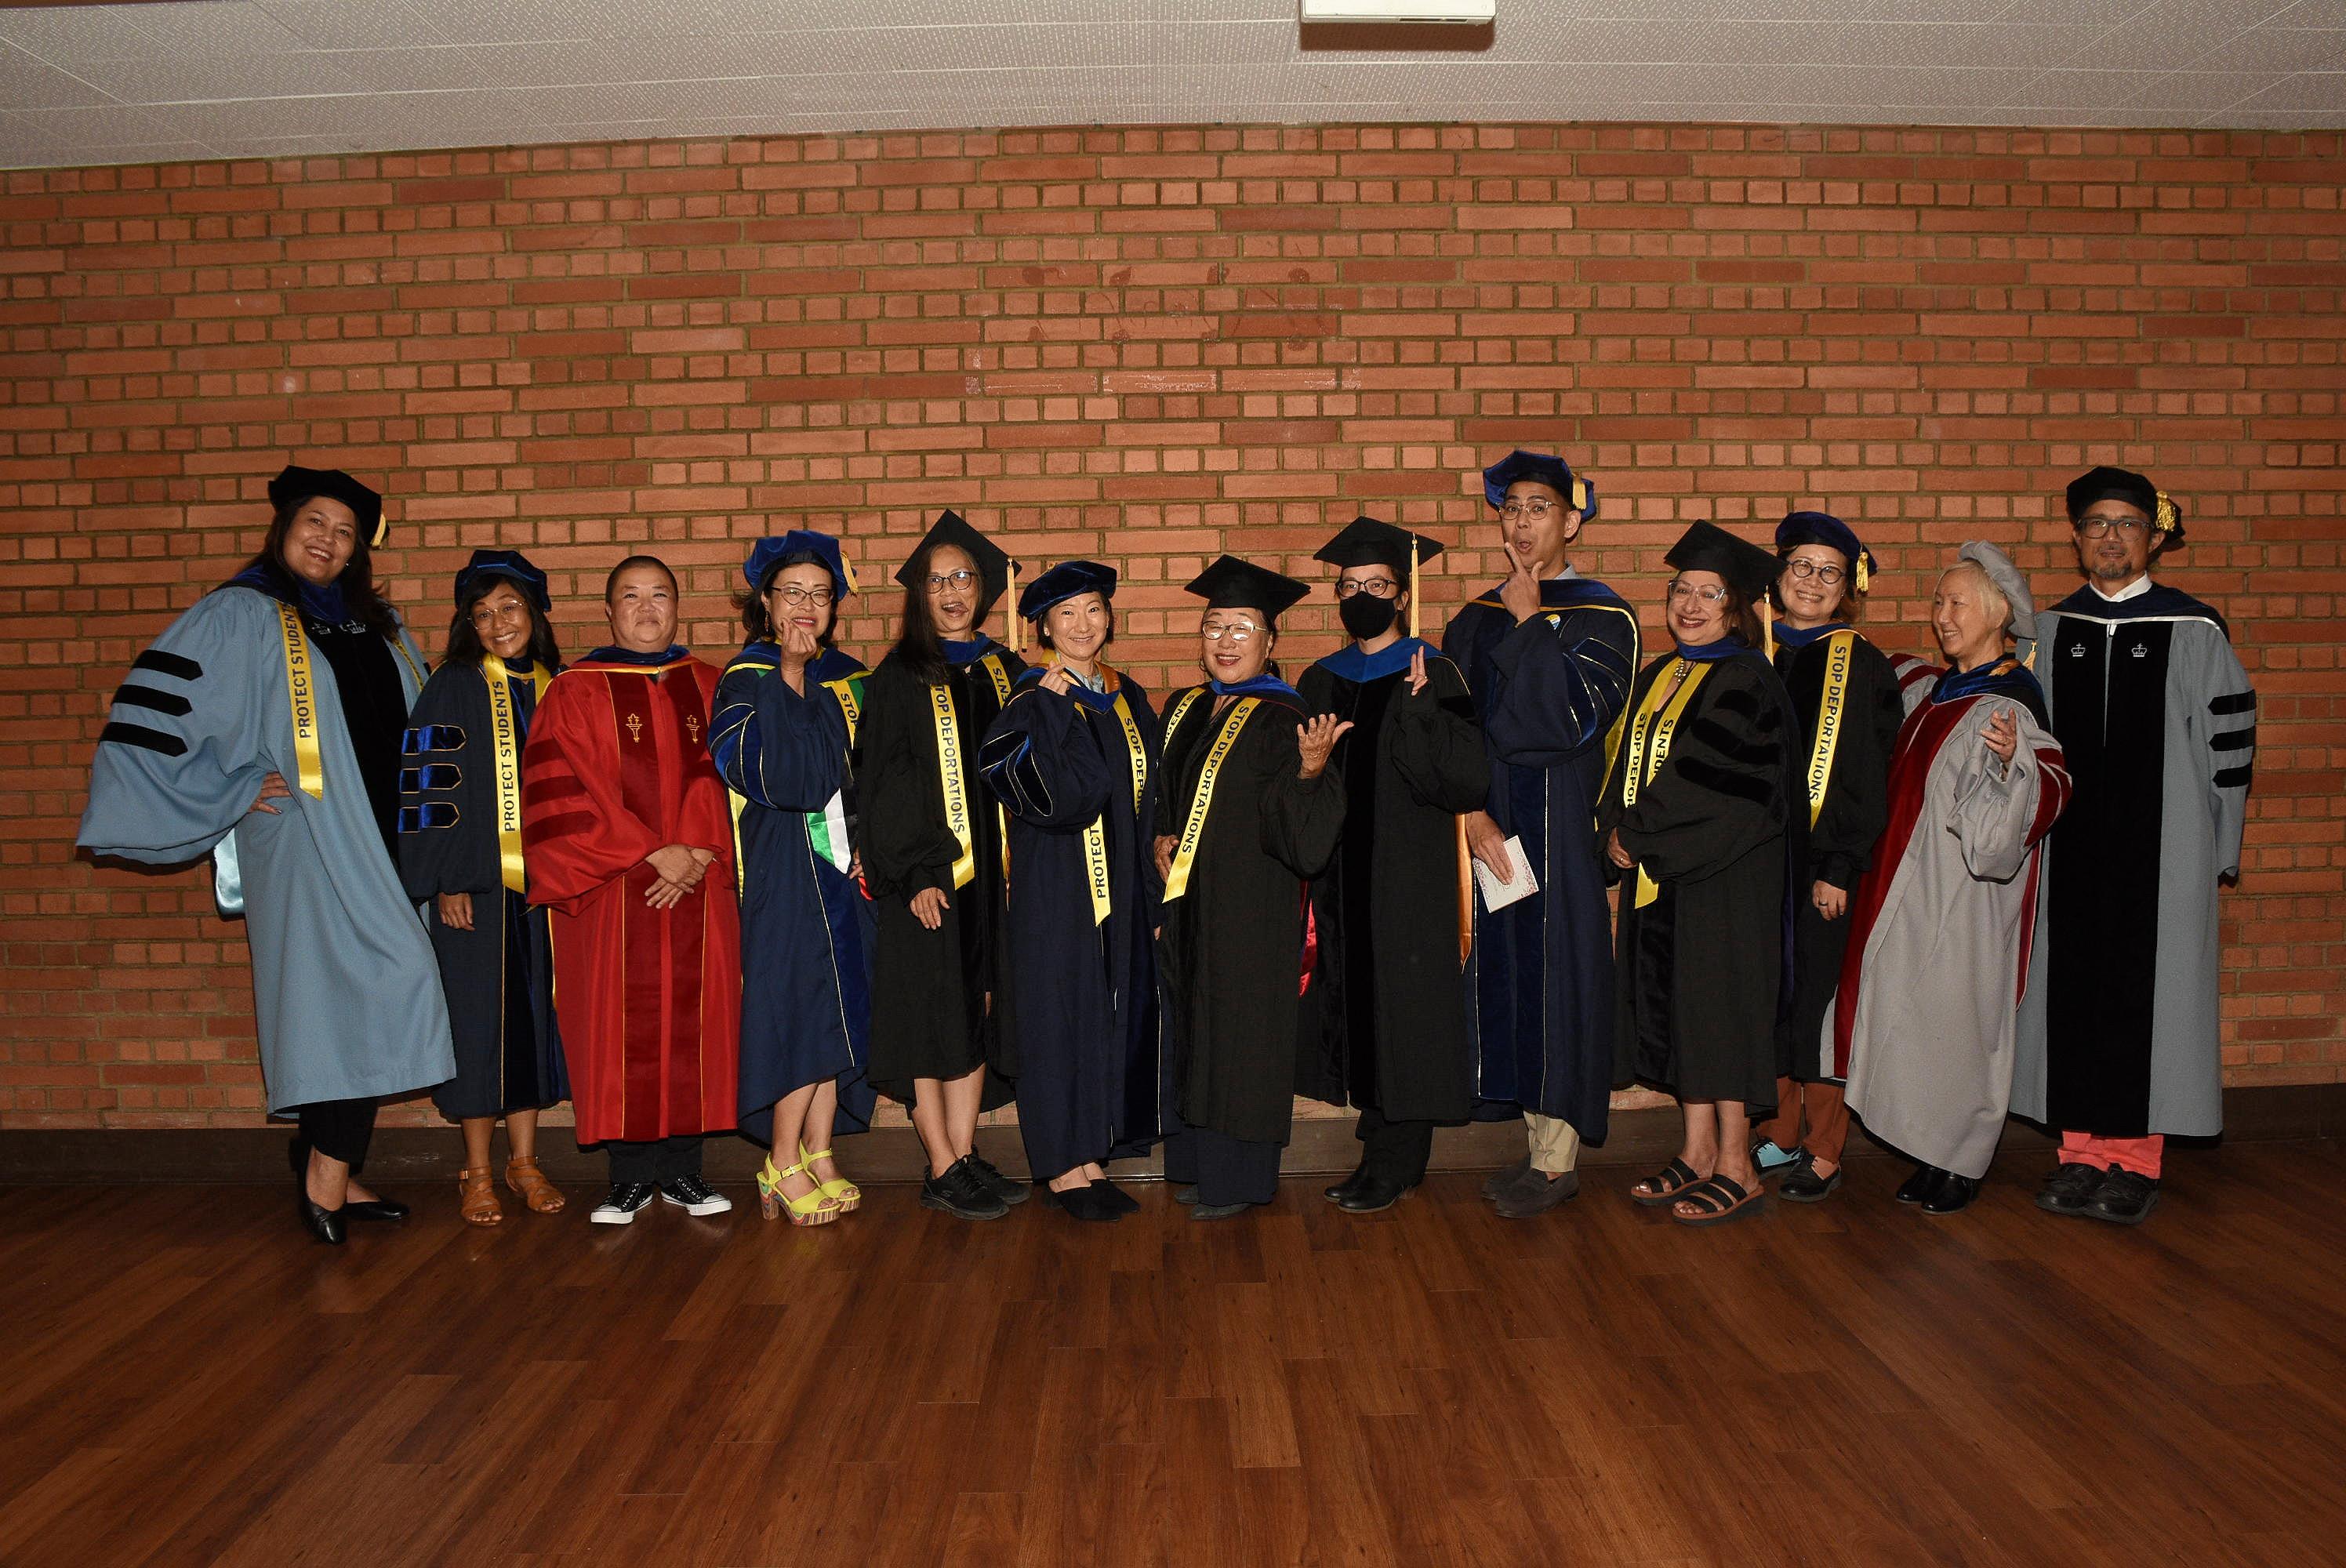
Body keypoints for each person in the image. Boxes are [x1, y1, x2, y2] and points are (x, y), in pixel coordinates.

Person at [78, 465, 453, 1244]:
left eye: (345, 532)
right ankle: (326, 1175)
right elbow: (164, 713)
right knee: (363, 990)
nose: (328, 540)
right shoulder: (239, 613)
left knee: (351, 1000)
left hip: (386, 836)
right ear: (284, 526)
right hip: (307, 837)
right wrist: (235, 786)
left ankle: (328, 1162)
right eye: (315, 522)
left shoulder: (378, 624)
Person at [2014, 468, 2257, 1226]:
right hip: (2067, 853)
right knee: (2071, 992)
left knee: (2151, 997)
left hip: (2166, 854)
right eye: (2097, 524)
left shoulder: (2194, 630)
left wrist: (2219, 848)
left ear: (2153, 536)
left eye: (2127, 524)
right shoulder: (2049, 631)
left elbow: (2230, 746)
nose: (2111, 537)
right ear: (2077, 537)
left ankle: (2135, 1163)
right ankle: (2081, 1155)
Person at [1836, 544, 2072, 1214]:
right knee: (1922, 1019)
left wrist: (2014, 764)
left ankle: (1961, 1161)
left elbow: (2042, 789)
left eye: (1957, 603)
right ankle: (1933, 1152)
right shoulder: (1943, 690)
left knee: (1962, 1022)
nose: (1942, 615)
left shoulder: (2008, 704)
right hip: (1914, 887)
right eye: (1938, 602)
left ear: (1997, 614)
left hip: (1970, 897)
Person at [1442, 451, 1640, 1219]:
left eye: (1539, 508)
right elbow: (1453, 731)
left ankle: (1557, 1163)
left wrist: (1530, 623)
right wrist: (1468, 810)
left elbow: (1562, 725)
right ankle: (1533, 1148)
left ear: (1572, 521)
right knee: (1509, 981)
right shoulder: (1473, 617)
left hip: (1559, 833)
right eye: (1511, 508)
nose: (1522, 522)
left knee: (1556, 982)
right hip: (1491, 832)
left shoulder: (1603, 618)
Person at [521, 554, 739, 1225]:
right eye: (632, 597)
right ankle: (629, 1178)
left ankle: (684, 1171)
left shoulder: (712, 684)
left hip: (700, 883)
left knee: (698, 1023)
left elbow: (730, 780)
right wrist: (650, 852)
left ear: (678, 606)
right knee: (617, 1026)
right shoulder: (574, 691)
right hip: (615, 889)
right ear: (609, 611)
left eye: (660, 595)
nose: (647, 609)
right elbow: (563, 793)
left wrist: (698, 850)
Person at [1599, 521, 1799, 1228]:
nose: (1689, 604)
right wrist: (1613, 831)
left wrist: (1636, 834)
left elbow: (1707, 781)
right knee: (1684, 1009)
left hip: (1726, 875)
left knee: (1722, 1013)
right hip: (1667, 871)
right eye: (1681, 589)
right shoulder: (1662, 674)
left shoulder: (1746, 679)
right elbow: (1625, 767)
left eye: (1708, 593)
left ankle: (1739, 1165)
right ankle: (1697, 1151)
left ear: (1736, 608)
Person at [1297, 517, 1490, 1214]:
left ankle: (1398, 1159)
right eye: (1349, 587)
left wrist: (1421, 714)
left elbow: (1466, 782)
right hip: (1341, 880)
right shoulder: (1321, 678)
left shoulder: (1435, 673)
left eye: (1377, 586)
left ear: (1403, 596)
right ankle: (1376, 1145)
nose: (1362, 598)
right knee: (1357, 1006)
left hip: (1410, 876)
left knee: (1404, 1010)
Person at [1154, 556, 1349, 1219]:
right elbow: (1162, 794)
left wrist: (1310, 772)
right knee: (1194, 1028)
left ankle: (1238, 1181)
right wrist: (1158, 839)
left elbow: (1304, 835)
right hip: (1191, 905)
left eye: (1242, 628)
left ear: (1270, 641)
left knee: (1242, 1039)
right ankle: (1198, 1165)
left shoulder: (1284, 715)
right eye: (1214, 627)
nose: (1226, 641)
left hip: (1253, 908)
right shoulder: (1185, 708)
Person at [977, 561, 1165, 1222]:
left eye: (1093, 610)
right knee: (1056, 1018)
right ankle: (1060, 1166)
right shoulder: (1033, 698)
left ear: (1109, 618)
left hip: (1122, 889)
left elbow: (1150, 792)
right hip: (1057, 888)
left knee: (1100, 1016)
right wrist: (1055, 718)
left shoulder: (1125, 694)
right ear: (1044, 629)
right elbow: (1037, 794)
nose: (1082, 624)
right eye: (1066, 614)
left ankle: (1090, 1156)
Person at [860, 511, 1030, 1221]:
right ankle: (939, 1163)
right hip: (930, 878)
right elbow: (884, 784)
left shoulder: (1006, 669)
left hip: (995, 878)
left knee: (977, 1007)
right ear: (919, 595)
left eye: (962, 577)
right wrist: (918, 873)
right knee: (931, 1015)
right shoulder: (899, 675)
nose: (952, 592)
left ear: (982, 587)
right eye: (936, 582)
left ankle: (963, 1155)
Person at [397, 550, 570, 1225]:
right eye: (483, 613)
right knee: (477, 1025)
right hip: (477, 888)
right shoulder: (455, 684)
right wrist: (446, 880)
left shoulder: (557, 684)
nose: (499, 624)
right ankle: (475, 1170)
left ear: (534, 613)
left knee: (530, 1021)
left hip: (544, 891)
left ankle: (524, 1163)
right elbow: (428, 787)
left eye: (510, 608)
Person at [710, 532, 877, 1227]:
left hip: (841, 870)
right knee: (802, 1010)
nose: (807, 605)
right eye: (793, 593)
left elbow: (869, 776)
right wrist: (789, 673)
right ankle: (780, 1161)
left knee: (837, 1009)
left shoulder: (849, 677)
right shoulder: (746, 678)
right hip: (783, 866)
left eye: (821, 594)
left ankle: (819, 1149)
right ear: (766, 601)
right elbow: (784, 779)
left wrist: (870, 844)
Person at [1745, 513, 1905, 1204]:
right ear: (1779, 575)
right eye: (1801, 567)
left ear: (1848, 588)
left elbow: (1868, 775)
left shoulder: (1859, 663)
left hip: (1819, 869)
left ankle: (1824, 1147)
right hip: (1756, 865)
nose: (1812, 582)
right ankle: (1779, 1131)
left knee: (1816, 1001)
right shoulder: (1752, 651)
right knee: (1769, 996)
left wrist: (1839, 865)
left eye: (1829, 572)